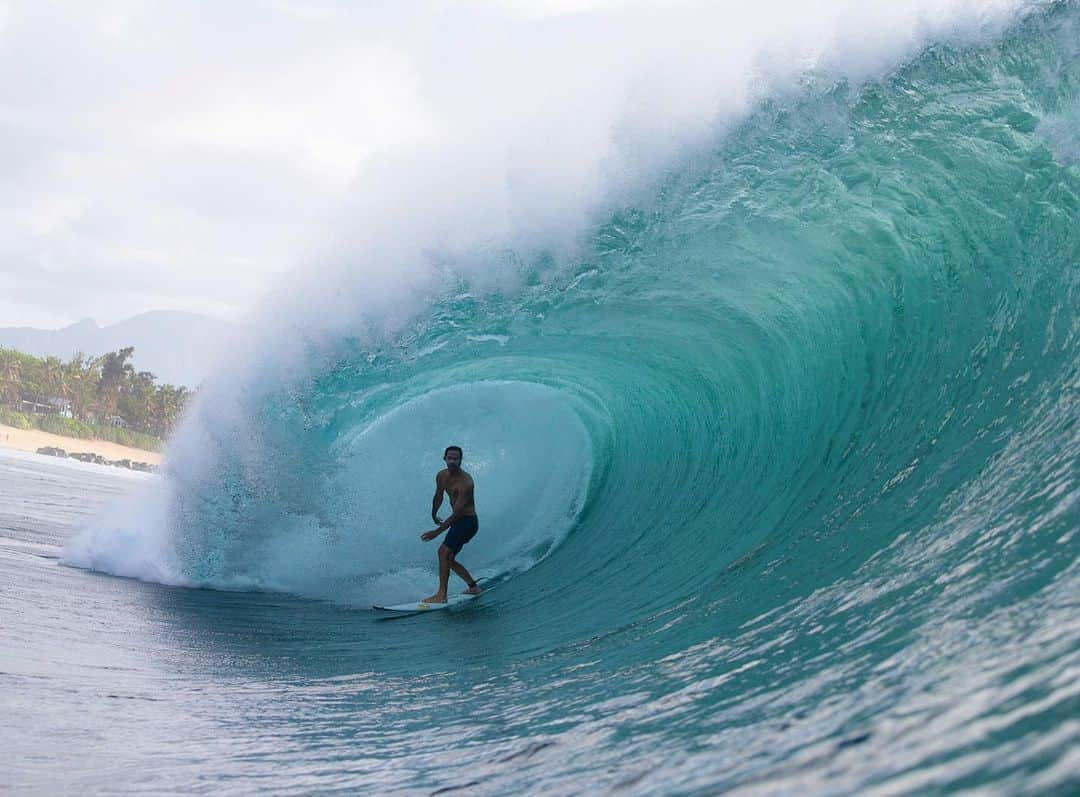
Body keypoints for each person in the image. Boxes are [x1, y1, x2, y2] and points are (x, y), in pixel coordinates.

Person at [420, 445, 481, 603]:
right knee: (449, 559)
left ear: (461, 460)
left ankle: (441, 595)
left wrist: (437, 531)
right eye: (450, 458)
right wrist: (434, 514)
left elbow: (457, 514)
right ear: (444, 458)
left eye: (456, 458)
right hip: (457, 522)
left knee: (443, 552)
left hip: (467, 522)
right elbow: (438, 496)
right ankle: (473, 587)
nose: (452, 461)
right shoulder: (441, 476)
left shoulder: (466, 483)